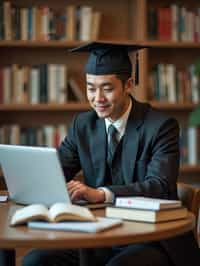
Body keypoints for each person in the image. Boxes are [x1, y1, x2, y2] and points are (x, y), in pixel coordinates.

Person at [14, 42, 200, 265]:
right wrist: (32, 181)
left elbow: (159, 185)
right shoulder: (83, 125)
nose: (97, 98)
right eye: (91, 88)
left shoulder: (160, 126)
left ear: (128, 85)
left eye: (107, 88)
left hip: (150, 237)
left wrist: (101, 194)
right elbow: (57, 171)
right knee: (35, 260)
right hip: (97, 235)